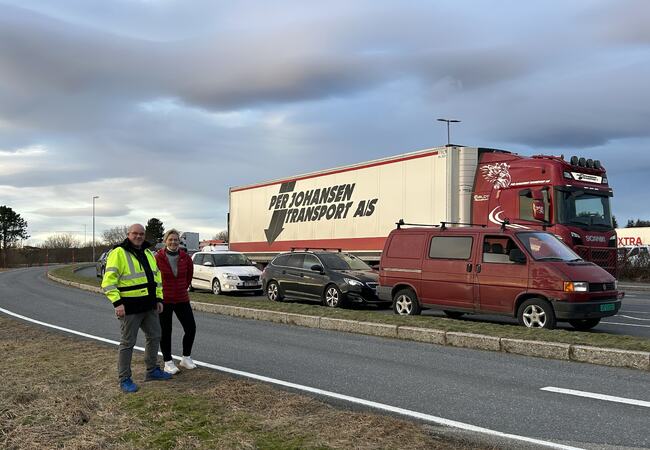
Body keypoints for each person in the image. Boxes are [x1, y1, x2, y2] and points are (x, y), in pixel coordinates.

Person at [102, 223, 172, 393]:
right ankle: (124, 378)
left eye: (141, 234)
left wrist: (159, 299)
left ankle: (152, 370)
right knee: (128, 343)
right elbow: (108, 282)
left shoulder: (148, 253)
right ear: (128, 234)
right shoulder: (118, 253)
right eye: (135, 233)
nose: (139, 236)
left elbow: (156, 278)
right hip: (129, 307)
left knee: (155, 336)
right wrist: (117, 303)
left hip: (149, 305)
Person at [154, 229, 197, 374]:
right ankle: (168, 362)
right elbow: (154, 278)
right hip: (164, 299)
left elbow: (189, 276)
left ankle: (186, 358)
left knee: (191, 327)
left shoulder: (185, 257)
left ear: (179, 241)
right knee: (166, 331)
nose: (173, 242)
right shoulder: (158, 257)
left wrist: (182, 288)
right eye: (170, 239)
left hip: (182, 298)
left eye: (176, 239)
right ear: (165, 241)